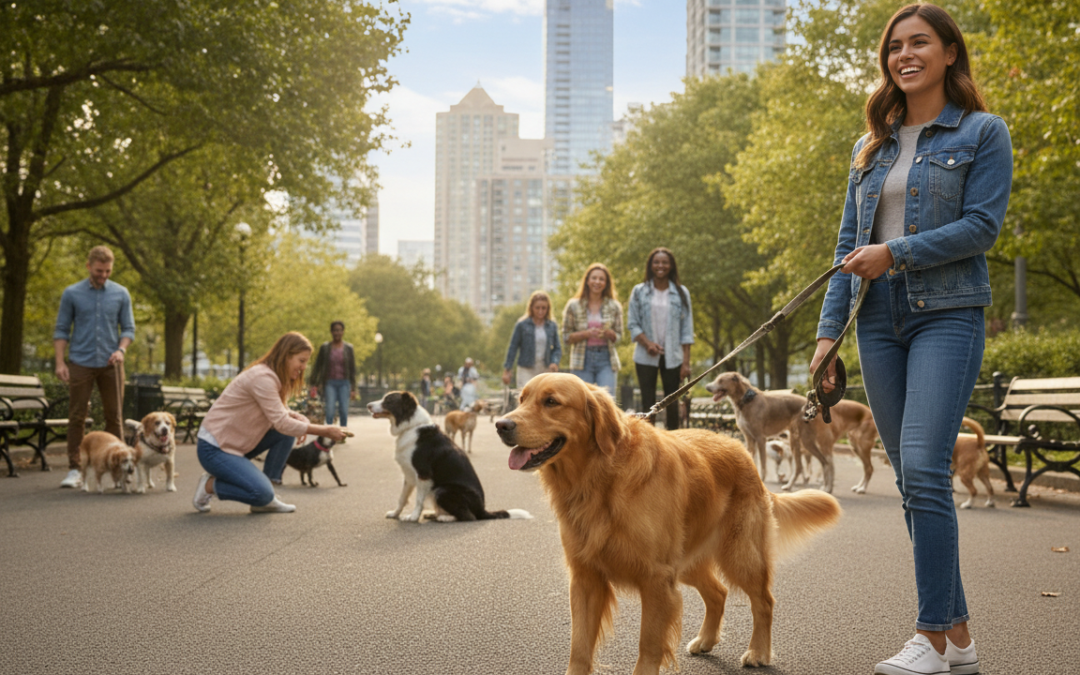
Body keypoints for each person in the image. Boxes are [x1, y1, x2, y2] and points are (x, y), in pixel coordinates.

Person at [809, 6, 1011, 674]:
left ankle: (928, 632)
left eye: (920, 42)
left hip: (947, 313)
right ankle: (956, 635)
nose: (905, 54)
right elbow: (847, 247)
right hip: (877, 320)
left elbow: (982, 227)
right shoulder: (871, 147)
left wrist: (894, 252)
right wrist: (826, 334)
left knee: (924, 466)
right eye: (895, 46)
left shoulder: (983, 133)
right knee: (910, 479)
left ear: (951, 52)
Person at [192, 332, 348, 513]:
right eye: (301, 360)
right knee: (261, 493)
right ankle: (210, 486)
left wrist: (299, 418)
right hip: (214, 448)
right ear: (286, 355)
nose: (303, 367)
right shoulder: (262, 378)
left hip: (234, 445)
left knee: (285, 434)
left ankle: (268, 491)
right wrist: (324, 431)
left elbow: (279, 412)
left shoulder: (271, 377)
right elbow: (281, 421)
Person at [53, 245, 136, 489]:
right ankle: (75, 469)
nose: (103, 275)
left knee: (114, 416)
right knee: (77, 416)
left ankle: (119, 466)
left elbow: (129, 329)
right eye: (99, 271)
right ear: (89, 266)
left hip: (111, 364)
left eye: (107, 271)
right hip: (80, 361)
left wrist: (121, 350)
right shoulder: (72, 293)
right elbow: (61, 329)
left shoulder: (121, 294)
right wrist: (60, 362)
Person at [627, 247, 694, 430]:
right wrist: (647, 343)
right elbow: (632, 323)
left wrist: (686, 362)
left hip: (673, 356)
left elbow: (687, 329)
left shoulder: (681, 293)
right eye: (656, 262)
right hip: (645, 355)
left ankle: (673, 446)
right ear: (650, 266)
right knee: (648, 405)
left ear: (671, 266)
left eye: (665, 262)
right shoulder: (639, 291)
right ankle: (648, 446)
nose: (660, 266)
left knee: (671, 403)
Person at [561, 265, 622, 398]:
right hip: (582, 359)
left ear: (606, 284)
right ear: (587, 281)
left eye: (601, 279)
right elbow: (566, 337)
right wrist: (586, 334)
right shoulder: (573, 305)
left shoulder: (614, 306)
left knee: (608, 400)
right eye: (594, 278)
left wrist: (610, 334)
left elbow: (619, 336)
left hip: (606, 359)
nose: (597, 282)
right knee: (581, 401)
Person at [503, 291, 562, 389]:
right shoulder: (522, 325)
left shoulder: (552, 326)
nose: (540, 311)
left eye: (544, 308)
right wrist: (507, 369)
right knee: (526, 397)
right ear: (531, 308)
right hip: (526, 368)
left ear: (548, 309)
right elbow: (513, 348)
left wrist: (554, 362)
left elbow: (557, 348)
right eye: (537, 308)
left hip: (545, 368)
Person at [307, 321, 357, 433]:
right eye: (335, 330)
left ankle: (343, 433)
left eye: (339, 330)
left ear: (343, 332)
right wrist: (313, 383)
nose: (337, 332)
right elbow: (318, 366)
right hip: (330, 383)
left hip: (345, 383)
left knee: (343, 410)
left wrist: (353, 388)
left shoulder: (348, 348)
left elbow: (353, 369)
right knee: (329, 410)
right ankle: (328, 433)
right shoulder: (325, 348)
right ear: (331, 332)